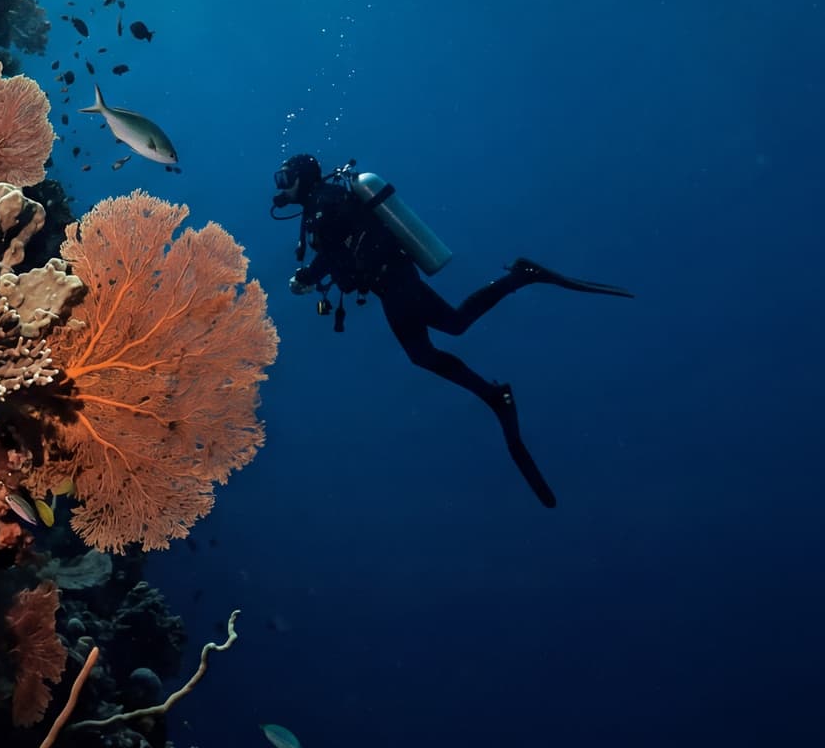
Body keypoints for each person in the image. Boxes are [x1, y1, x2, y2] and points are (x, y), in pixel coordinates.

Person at [271, 154, 632, 508]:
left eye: (285, 179)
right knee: (445, 332)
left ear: (303, 177)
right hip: (389, 280)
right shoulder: (321, 204)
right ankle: (503, 349)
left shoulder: (323, 202)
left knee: (432, 343)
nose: (281, 187)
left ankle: (512, 317)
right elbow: (341, 247)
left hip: (392, 278)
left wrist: (309, 275)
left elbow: (336, 249)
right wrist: (314, 274)